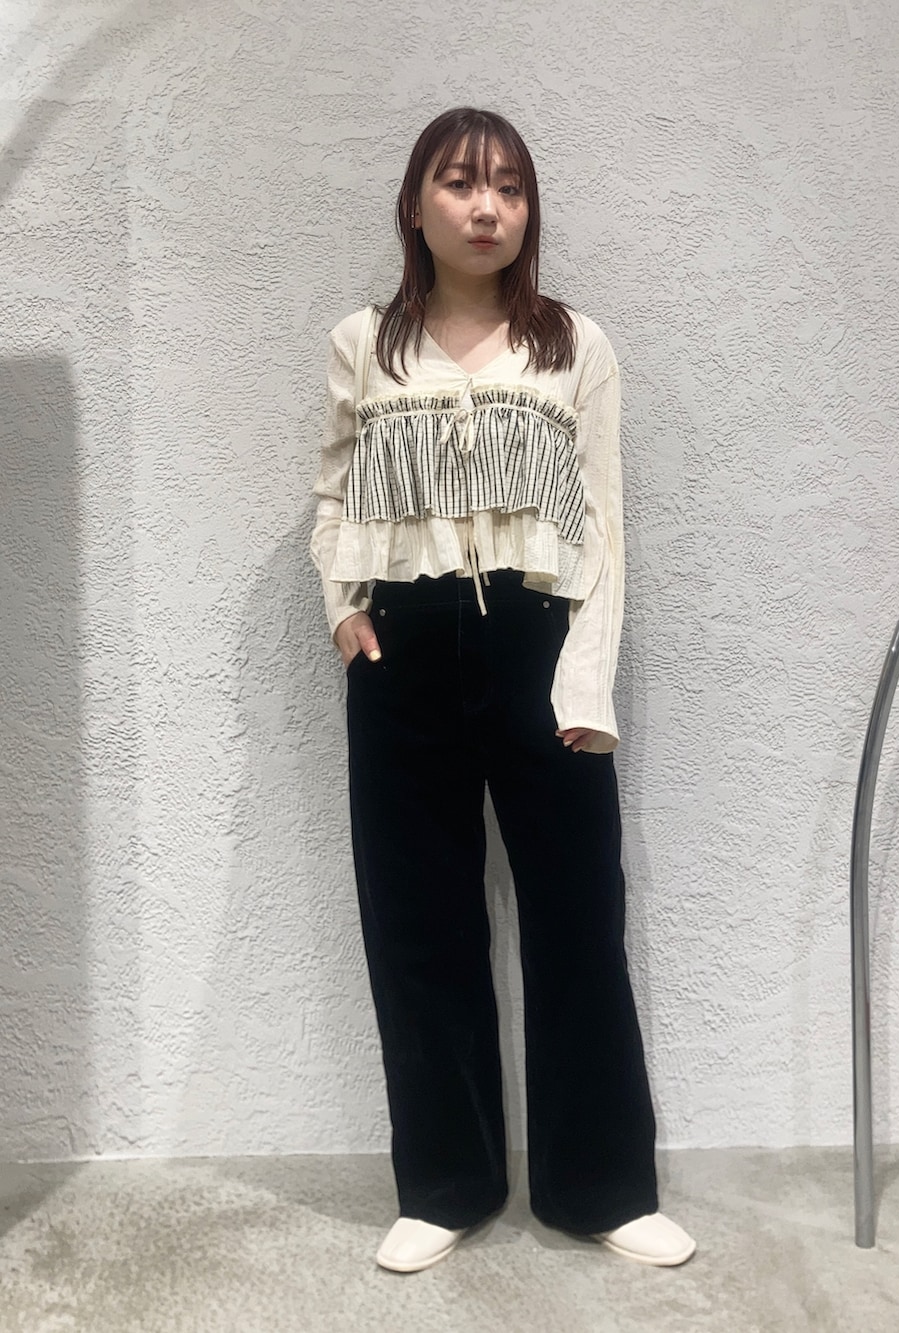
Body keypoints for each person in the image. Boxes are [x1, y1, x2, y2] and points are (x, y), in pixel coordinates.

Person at [309, 106, 696, 1274]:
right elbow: (335, 495)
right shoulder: (365, 345)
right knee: (416, 922)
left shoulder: (573, 345)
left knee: (577, 920)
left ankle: (600, 1187)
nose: (487, 207)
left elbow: (603, 524)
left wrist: (585, 680)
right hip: (402, 654)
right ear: (416, 203)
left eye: (510, 187)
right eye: (461, 182)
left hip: (540, 646)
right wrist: (343, 609)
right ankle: (446, 1183)